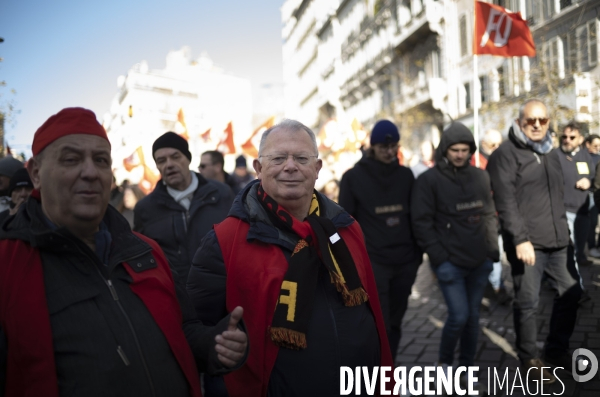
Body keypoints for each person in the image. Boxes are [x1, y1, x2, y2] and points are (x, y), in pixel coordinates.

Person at [0, 107, 247, 396]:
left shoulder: (147, 252)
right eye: (71, 159)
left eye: (101, 160)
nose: (90, 172)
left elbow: (184, 329)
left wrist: (214, 344)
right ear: (36, 174)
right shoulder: (7, 267)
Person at [187, 119, 393, 396]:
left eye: (301, 158)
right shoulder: (225, 240)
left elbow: (372, 312)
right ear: (258, 169)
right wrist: (214, 344)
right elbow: (192, 326)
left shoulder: (347, 229)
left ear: (317, 168)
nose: (290, 166)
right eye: (278, 158)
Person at [487, 99, 581, 380]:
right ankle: (529, 357)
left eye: (543, 120)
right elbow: (505, 202)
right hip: (528, 244)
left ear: (549, 122)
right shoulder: (505, 154)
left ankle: (556, 348)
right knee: (528, 302)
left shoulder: (551, 151)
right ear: (519, 123)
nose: (537, 125)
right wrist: (519, 240)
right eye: (531, 121)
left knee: (572, 293)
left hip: (559, 240)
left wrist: (566, 233)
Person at [411, 122, 498, 393]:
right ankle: (445, 364)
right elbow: (421, 223)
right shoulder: (429, 180)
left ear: (471, 150)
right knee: (458, 316)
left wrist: (492, 251)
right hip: (450, 265)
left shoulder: (480, 177)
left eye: (464, 149)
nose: (459, 154)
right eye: (454, 149)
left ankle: (467, 368)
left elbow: (488, 214)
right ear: (445, 150)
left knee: (472, 318)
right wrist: (440, 259)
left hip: (479, 261)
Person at [339, 119, 422, 362]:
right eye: (383, 146)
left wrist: (416, 258)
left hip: (405, 262)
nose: (388, 151)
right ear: (372, 146)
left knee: (395, 322)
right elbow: (345, 223)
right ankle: (376, 375)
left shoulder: (406, 176)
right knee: (379, 323)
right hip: (374, 262)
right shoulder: (353, 178)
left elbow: (416, 217)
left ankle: (388, 370)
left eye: (393, 146)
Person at [134, 133, 234, 287]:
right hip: (176, 298)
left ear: (188, 159)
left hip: (222, 293)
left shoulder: (221, 193)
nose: (169, 164)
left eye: (175, 157)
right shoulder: (145, 209)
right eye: (161, 160)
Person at [556, 121, 595, 267]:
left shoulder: (585, 155)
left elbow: (592, 175)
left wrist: (588, 181)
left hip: (583, 209)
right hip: (565, 209)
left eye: (572, 137)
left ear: (580, 139)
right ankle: (571, 279)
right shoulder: (555, 155)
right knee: (568, 246)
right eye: (564, 137)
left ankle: (580, 258)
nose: (567, 140)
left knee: (581, 240)